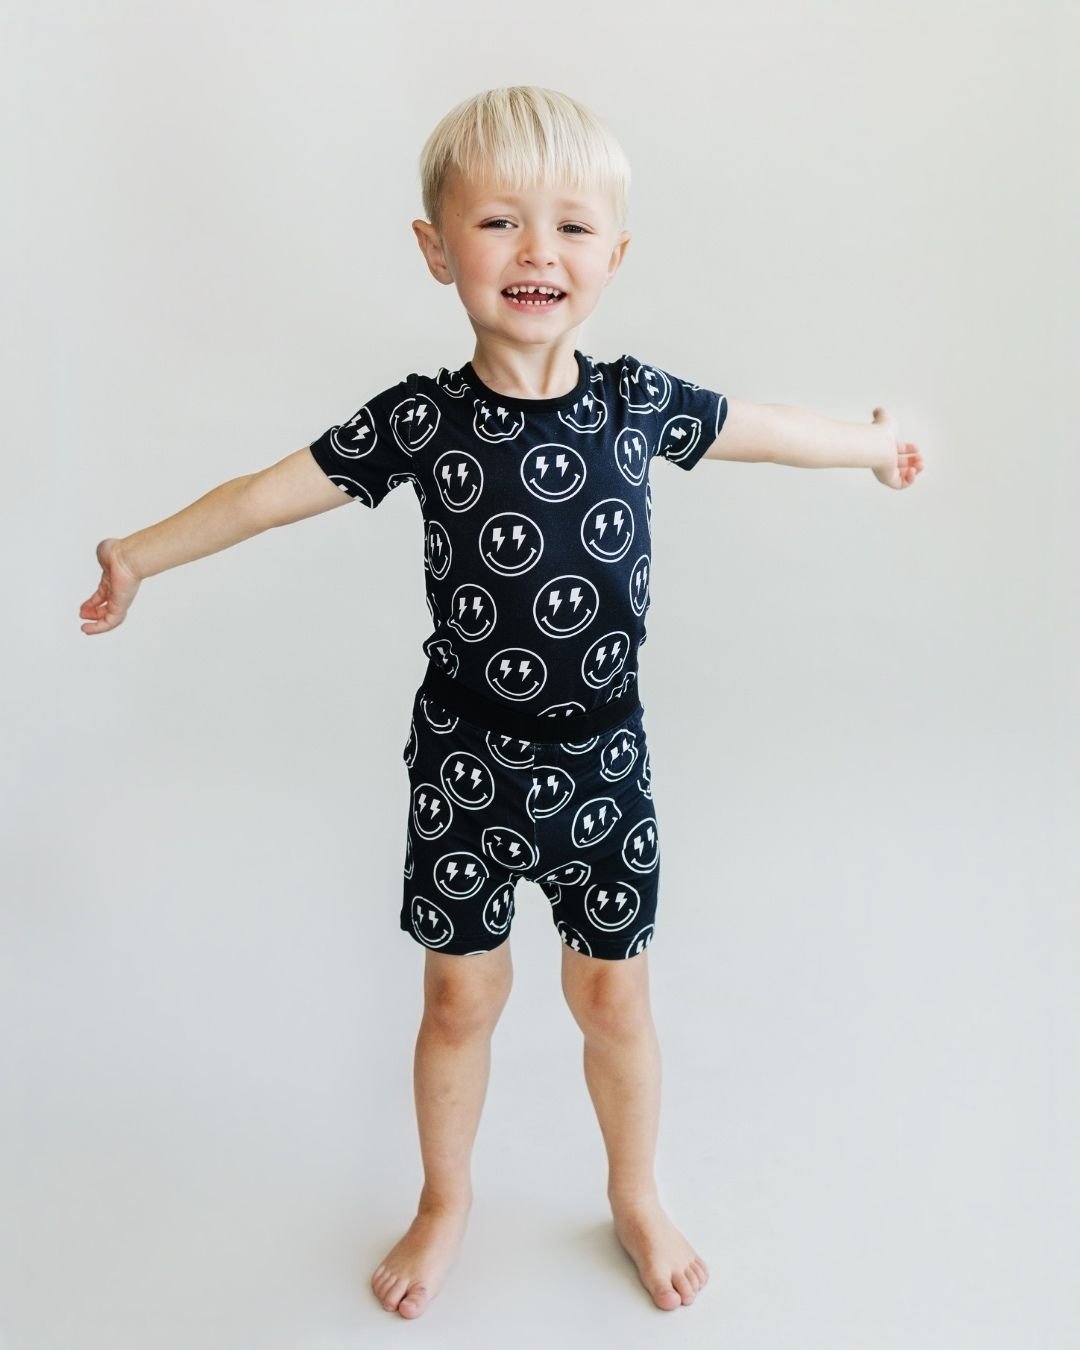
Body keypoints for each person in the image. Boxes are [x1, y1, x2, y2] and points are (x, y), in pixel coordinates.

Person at [78, 85, 924, 1320]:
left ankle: (635, 1192)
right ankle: (445, 1199)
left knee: (611, 995)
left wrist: (869, 443)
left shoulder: (636, 404)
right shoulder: (425, 422)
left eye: (573, 228)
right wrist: (138, 553)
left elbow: (764, 428)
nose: (538, 252)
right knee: (460, 996)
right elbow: (266, 494)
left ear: (614, 257)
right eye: (499, 224)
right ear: (435, 248)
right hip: (468, 767)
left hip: (604, 769)